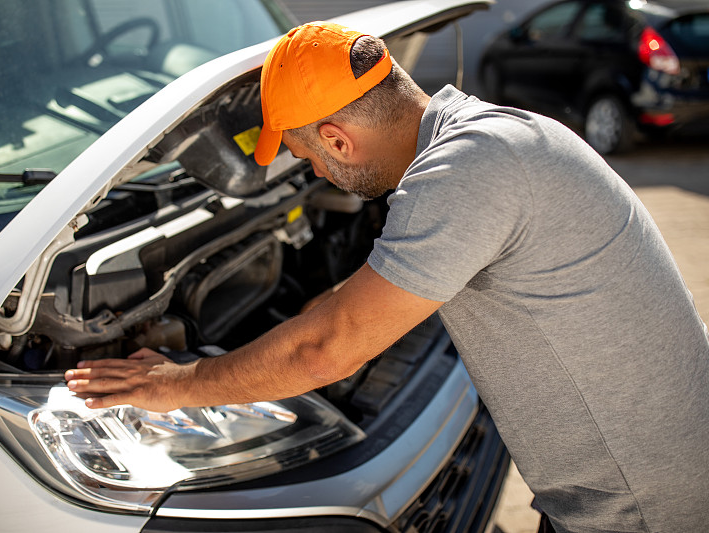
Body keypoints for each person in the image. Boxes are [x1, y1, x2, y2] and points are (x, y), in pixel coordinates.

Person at [66, 21, 709, 533]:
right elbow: (364, 294)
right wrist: (246, 344)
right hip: (634, 484)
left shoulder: (464, 173)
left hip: (642, 510)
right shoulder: (486, 136)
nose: (313, 175)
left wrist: (179, 384)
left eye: (305, 156)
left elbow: (328, 349)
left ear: (338, 140)